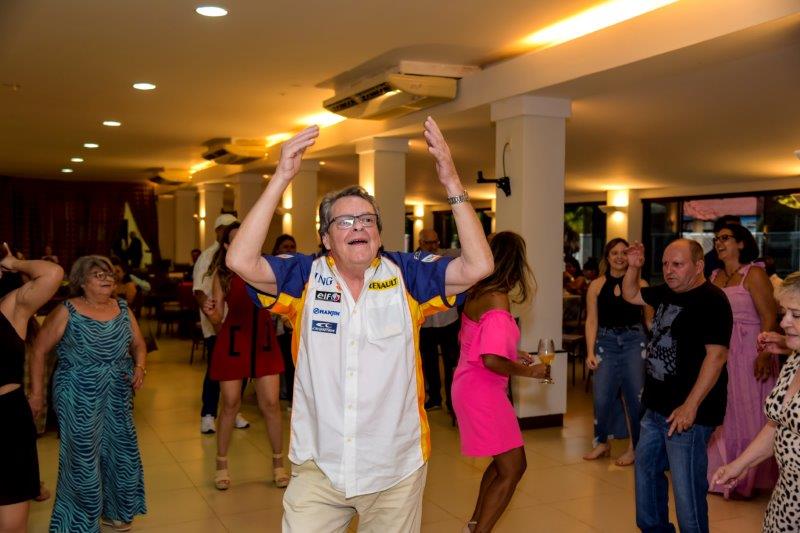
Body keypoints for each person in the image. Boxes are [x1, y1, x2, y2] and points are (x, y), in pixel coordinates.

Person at [226, 118, 493, 532]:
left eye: (367, 220)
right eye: (345, 222)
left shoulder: (408, 276)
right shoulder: (304, 278)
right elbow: (239, 260)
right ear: (326, 239)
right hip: (319, 467)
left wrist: (451, 180)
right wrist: (281, 177)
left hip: (395, 470)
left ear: (379, 235)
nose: (359, 227)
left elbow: (479, 266)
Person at [622, 239, 732, 533]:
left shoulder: (713, 300)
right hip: (655, 408)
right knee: (646, 478)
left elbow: (717, 356)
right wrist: (633, 267)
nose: (669, 270)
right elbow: (630, 294)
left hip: (688, 416)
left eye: (678, 264)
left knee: (687, 496)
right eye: (665, 264)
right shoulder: (666, 291)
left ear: (698, 266)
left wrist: (690, 406)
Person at [33, 256, 147, 531]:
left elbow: (139, 344)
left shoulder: (122, 308)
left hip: (117, 391)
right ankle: (78, 523)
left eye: (109, 274)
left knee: (120, 451)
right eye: (98, 275)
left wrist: (140, 366)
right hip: (77, 392)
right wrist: (37, 394)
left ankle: (116, 511)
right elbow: (38, 350)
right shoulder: (67, 311)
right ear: (82, 282)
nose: (107, 279)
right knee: (82, 457)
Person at [451, 231, 546, 533]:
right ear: (515, 263)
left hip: (469, 385)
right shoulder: (497, 300)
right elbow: (491, 360)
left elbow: (476, 342)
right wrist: (531, 372)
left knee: (503, 463)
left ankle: (474, 525)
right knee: (514, 467)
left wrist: (513, 352)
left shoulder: (479, 291)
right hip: (482, 391)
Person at [201, 224, 288, 490]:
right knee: (230, 404)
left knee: (271, 404)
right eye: (237, 238)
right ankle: (221, 464)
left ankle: (278, 463)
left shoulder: (266, 268)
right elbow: (218, 320)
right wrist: (211, 313)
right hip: (234, 341)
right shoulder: (222, 275)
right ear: (228, 246)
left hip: (264, 340)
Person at [712, 272, 800, 532]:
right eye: (784, 313)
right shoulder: (794, 361)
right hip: (786, 502)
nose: (783, 322)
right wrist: (738, 465)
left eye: (795, 315)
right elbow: (778, 426)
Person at [706, 223, 779, 498]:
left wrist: (765, 353)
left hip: (750, 350)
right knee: (724, 410)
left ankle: (750, 476)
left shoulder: (754, 273)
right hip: (721, 351)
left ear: (741, 243)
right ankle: (722, 472)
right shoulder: (714, 276)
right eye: (716, 239)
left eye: (725, 238)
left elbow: (769, 315)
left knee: (749, 410)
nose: (719, 242)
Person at [0, 243, 62, 533]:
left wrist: (14, 263)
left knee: (12, 524)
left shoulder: (11, 307)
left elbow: (53, 273)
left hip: (7, 419)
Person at [584, 238, 652, 466]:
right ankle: (601, 442)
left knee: (635, 397)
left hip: (634, 341)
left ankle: (635, 447)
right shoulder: (596, 285)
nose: (620, 257)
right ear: (607, 257)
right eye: (615, 253)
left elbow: (649, 321)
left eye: (624, 252)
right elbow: (591, 321)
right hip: (606, 342)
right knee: (601, 396)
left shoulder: (641, 284)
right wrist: (590, 351)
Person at [193, 213, 249, 434]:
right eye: (224, 229)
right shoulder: (207, 257)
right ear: (218, 232)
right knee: (216, 371)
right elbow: (198, 290)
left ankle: (234, 410)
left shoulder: (245, 256)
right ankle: (208, 414)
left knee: (240, 371)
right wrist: (214, 319)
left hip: (239, 327)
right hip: (216, 325)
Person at [418, 228, 460, 413]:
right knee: (429, 362)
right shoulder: (414, 261)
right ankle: (434, 398)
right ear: (420, 243)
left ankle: (453, 402)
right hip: (426, 321)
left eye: (436, 242)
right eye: (429, 243)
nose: (434, 246)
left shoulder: (447, 258)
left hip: (448, 320)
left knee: (451, 362)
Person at [271, 234, 297, 404]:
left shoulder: (298, 269)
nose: (290, 250)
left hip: (290, 324)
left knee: (290, 362)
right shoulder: (270, 268)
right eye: (286, 247)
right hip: (272, 323)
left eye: (292, 247)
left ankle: (290, 397)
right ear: (277, 249)